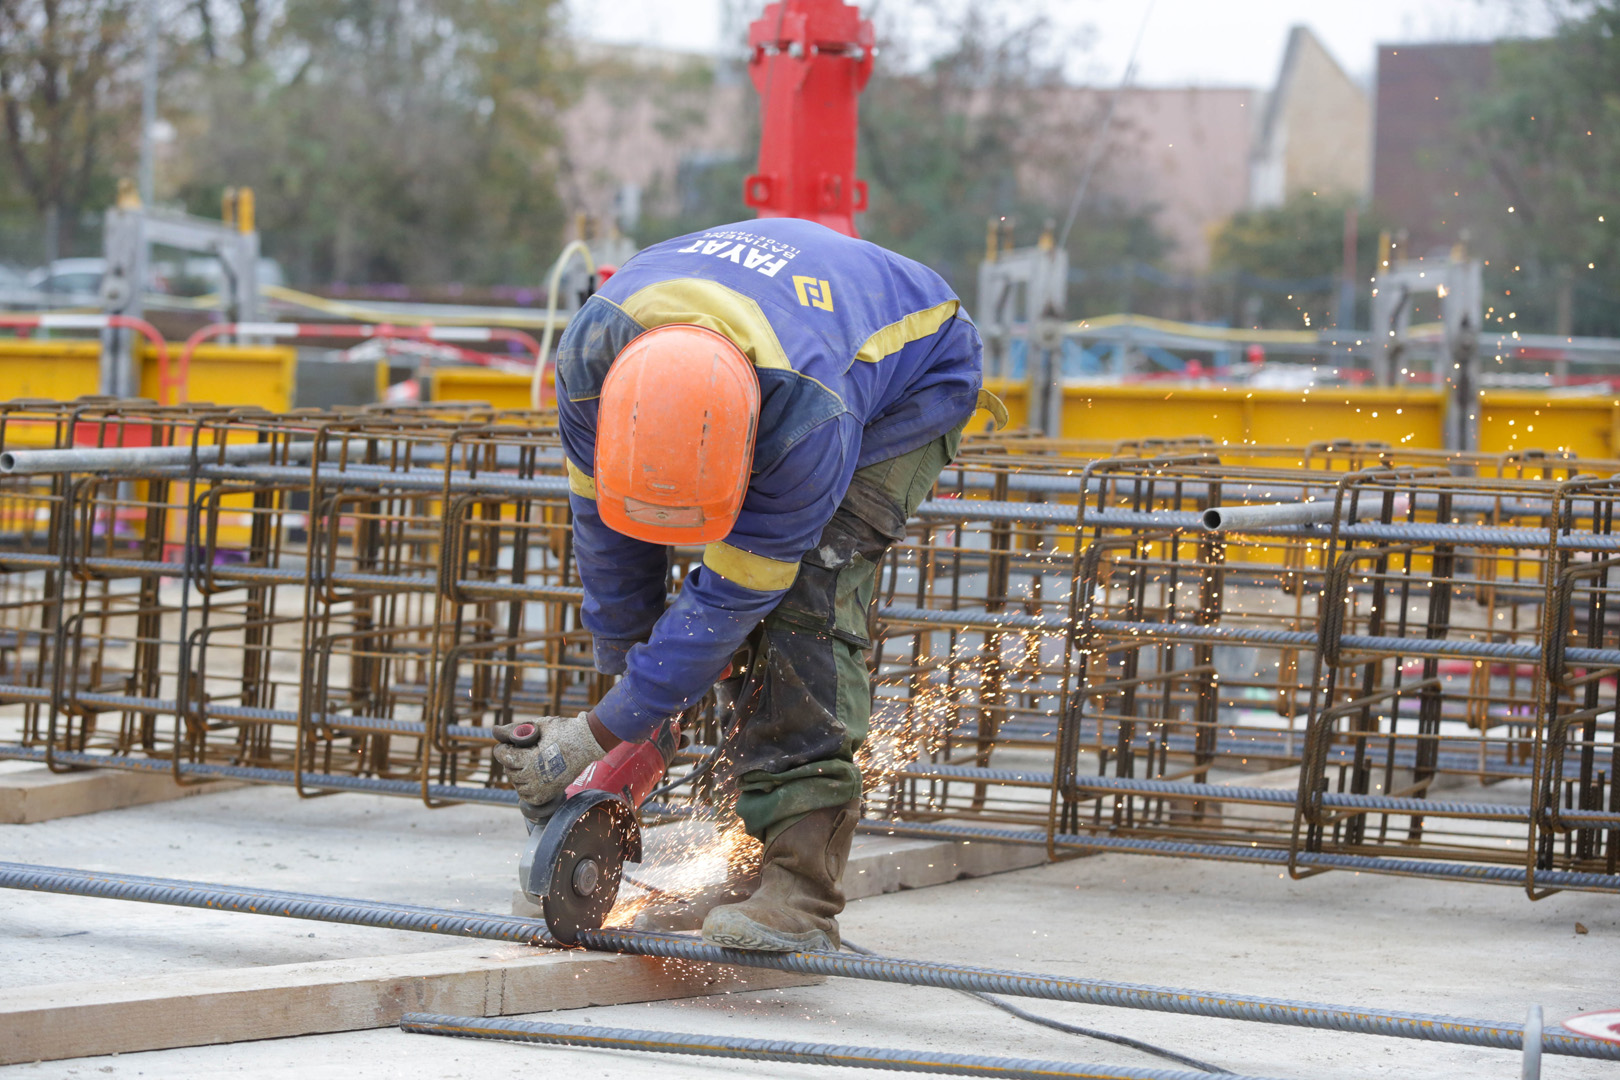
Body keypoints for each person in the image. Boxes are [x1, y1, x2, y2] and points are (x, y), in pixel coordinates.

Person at [494, 217, 997, 952]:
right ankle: (741, 851)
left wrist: (593, 734)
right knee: (719, 624)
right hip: (783, 342)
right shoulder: (589, 368)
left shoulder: (808, 428)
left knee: (799, 608)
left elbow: (728, 603)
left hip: (913, 375)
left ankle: (799, 889)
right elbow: (610, 542)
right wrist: (621, 719)